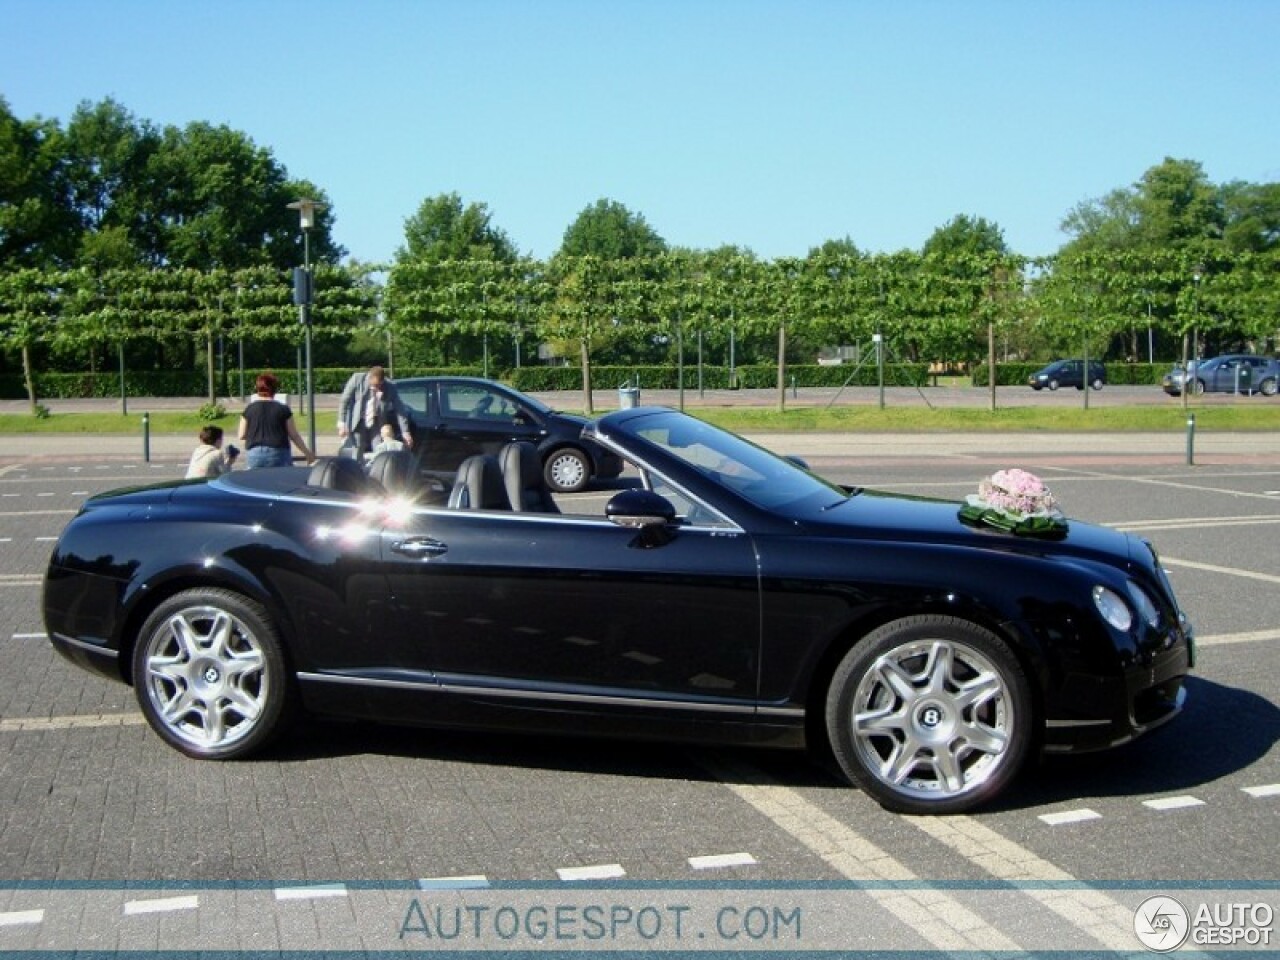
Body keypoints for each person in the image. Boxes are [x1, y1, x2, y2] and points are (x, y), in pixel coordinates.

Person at [238, 372, 314, 469]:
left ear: (257, 389)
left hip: (254, 452)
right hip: (278, 451)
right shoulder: (283, 409)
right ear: (274, 389)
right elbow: (294, 435)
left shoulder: (249, 409)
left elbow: (241, 435)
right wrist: (307, 453)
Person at [338, 365, 414, 458]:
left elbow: (400, 409)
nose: (377, 387)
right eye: (375, 385)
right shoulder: (357, 379)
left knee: (379, 450)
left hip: (377, 423)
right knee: (357, 449)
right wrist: (342, 423)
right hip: (359, 421)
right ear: (369, 378)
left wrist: (405, 432)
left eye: (380, 385)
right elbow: (344, 401)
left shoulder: (390, 387)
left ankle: (377, 469)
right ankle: (356, 470)